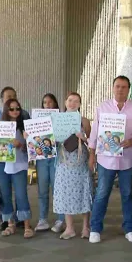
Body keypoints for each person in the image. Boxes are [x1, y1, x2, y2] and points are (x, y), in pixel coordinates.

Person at [88, 76, 132, 244]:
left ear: (128, 89)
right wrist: (91, 155)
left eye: (124, 87)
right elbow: (94, 132)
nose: (120, 89)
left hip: (127, 159)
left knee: (127, 194)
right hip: (105, 159)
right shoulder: (102, 107)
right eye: (117, 86)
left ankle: (129, 228)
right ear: (113, 88)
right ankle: (95, 228)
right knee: (101, 193)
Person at [0, 99, 34, 238]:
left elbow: (32, 150)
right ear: (6, 110)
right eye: (11, 109)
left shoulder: (24, 127)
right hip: (1, 166)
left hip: (19, 165)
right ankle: (10, 224)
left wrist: (21, 144)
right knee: (5, 195)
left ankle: (27, 225)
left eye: (17, 108)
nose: (15, 111)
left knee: (21, 195)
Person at [53, 92, 93, 239]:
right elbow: (50, 141)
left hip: (80, 161)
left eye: (76, 101)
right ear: (65, 102)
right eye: (70, 100)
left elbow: (92, 142)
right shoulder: (57, 120)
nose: (72, 103)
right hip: (64, 161)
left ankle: (85, 227)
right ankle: (69, 227)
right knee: (65, 193)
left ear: (80, 104)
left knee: (84, 192)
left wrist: (83, 138)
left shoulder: (84, 121)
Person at [33, 93, 65, 233]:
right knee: (42, 190)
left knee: (57, 189)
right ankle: (42, 219)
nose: (47, 105)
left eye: (50, 102)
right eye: (45, 102)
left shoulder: (60, 119)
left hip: (56, 157)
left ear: (55, 104)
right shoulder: (37, 120)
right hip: (41, 159)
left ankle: (61, 219)